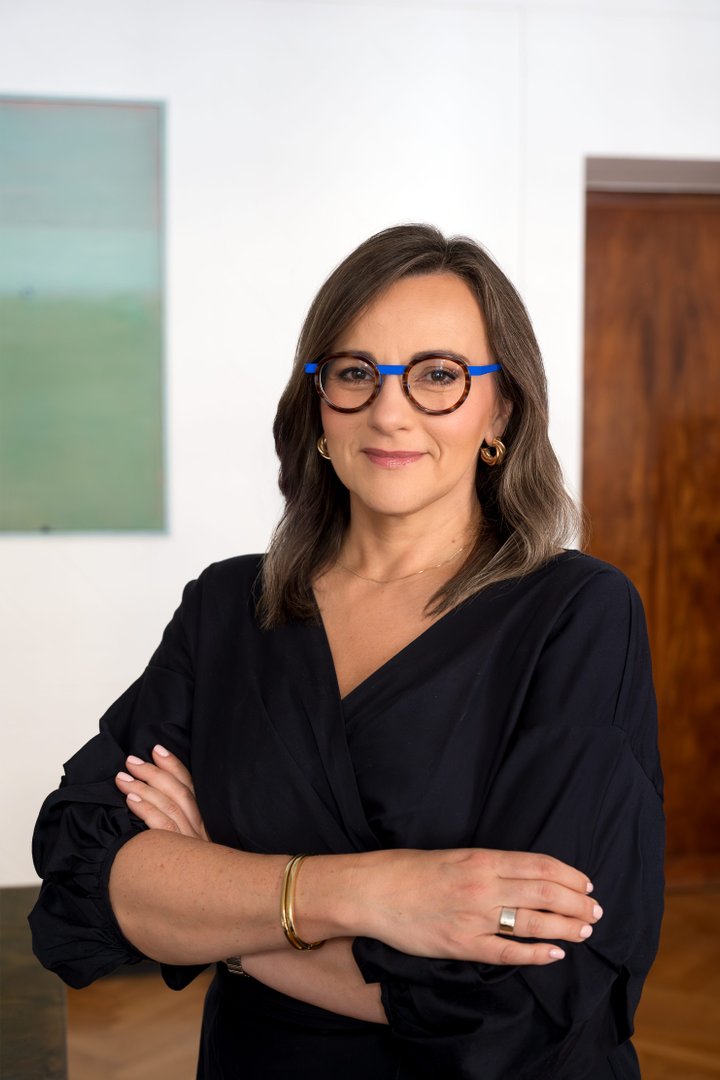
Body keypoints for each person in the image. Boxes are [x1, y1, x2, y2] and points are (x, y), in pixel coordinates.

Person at [29, 224, 665, 1079]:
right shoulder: (228, 606)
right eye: (356, 373)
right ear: (319, 406)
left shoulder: (578, 613)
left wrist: (227, 912)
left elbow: (522, 996)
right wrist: (375, 892)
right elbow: (83, 870)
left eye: (438, 375)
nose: (389, 411)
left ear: (501, 410)